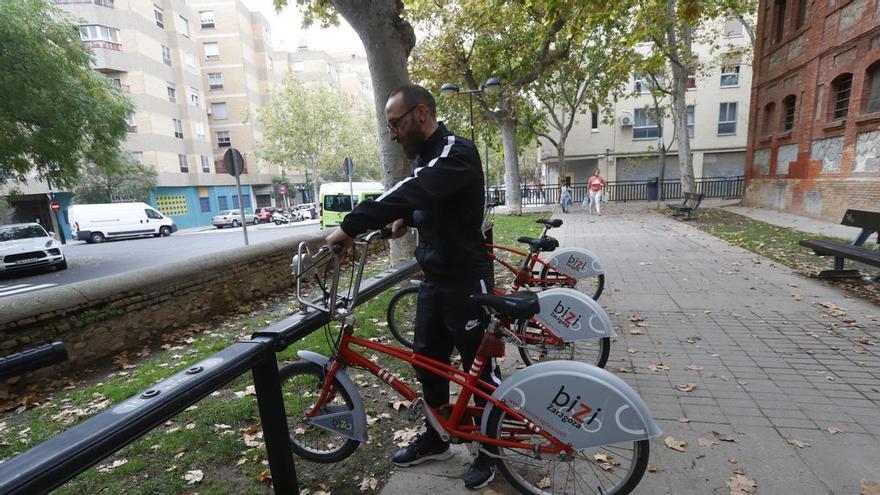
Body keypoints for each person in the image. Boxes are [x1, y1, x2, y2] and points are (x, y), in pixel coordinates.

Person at [325, 84, 498, 490]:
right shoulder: (427, 157)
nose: (393, 134)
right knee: (426, 361)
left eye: (395, 124)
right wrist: (410, 219)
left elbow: (420, 190)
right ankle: (438, 436)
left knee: (480, 370)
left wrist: (351, 225)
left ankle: (491, 450)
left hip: (466, 279)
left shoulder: (456, 151)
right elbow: (434, 201)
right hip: (434, 278)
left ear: (420, 113)